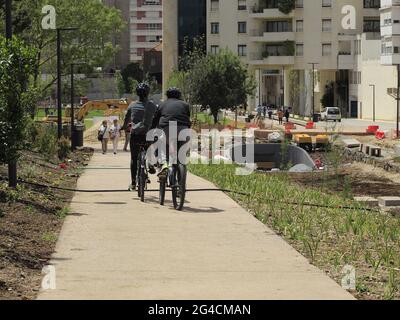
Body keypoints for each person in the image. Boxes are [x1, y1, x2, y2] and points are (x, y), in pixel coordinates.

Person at [122, 83, 157, 190]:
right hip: (148, 135)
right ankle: (151, 163)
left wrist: (124, 127)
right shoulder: (152, 105)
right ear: (148, 93)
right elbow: (157, 119)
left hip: (135, 135)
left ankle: (133, 183)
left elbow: (126, 120)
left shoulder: (132, 105)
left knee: (134, 158)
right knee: (152, 147)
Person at [154, 87, 191, 177]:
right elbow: (188, 119)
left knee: (161, 144)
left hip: (168, 128)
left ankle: (164, 164)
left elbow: (155, 120)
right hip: (183, 130)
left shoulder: (162, 105)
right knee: (181, 154)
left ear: (167, 96)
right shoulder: (185, 105)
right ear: (179, 96)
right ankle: (181, 183)